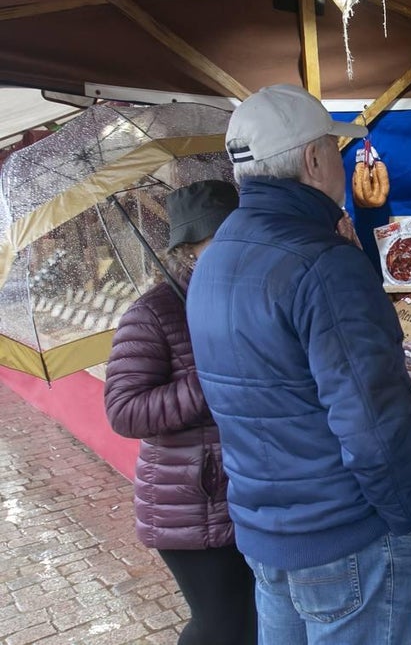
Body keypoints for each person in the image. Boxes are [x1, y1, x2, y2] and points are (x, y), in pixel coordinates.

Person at [185, 84, 411, 645]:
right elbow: (372, 422)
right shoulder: (322, 263)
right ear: (314, 158)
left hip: (267, 528)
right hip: (344, 535)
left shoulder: (215, 257)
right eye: (334, 151)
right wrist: (404, 515)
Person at [104, 179, 256, 645]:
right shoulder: (153, 313)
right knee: (224, 624)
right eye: (220, 239)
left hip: (249, 492)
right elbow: (125, 411)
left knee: (253, 620)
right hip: (191, 501)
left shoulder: (246, 300)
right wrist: (211, 379)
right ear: (189, 249)